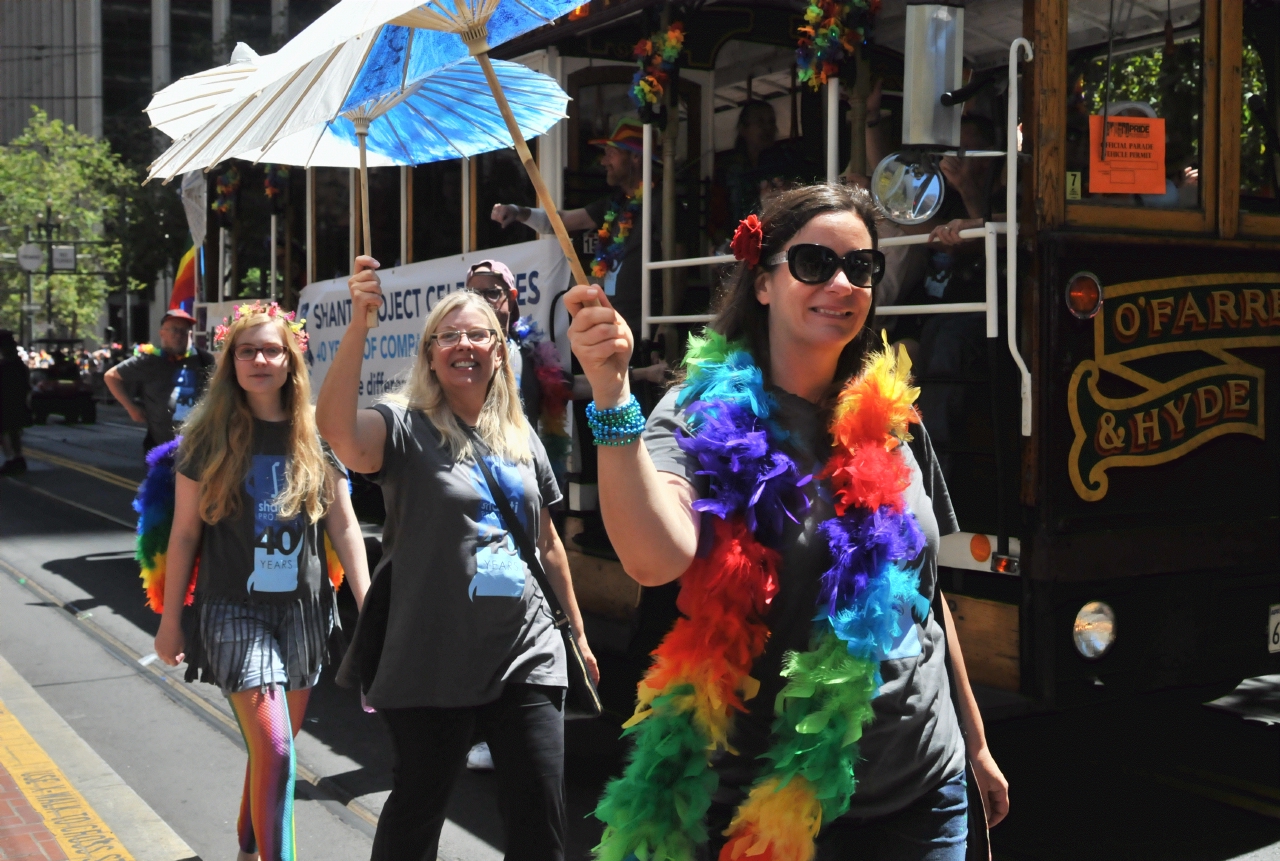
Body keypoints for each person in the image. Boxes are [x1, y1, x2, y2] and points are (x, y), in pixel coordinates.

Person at [565, 183, 1008, 860]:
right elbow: (654, 557)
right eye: (812, 264)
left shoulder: (892, 416)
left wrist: (975, 744)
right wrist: (613, 394)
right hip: (768, 814)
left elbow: (926, 593)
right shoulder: (699, 414)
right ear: (764, 282)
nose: (840, 283)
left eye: (860, 268)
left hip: (922, 790)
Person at [318, 258, 599, 861]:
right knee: (417, 812)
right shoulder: (401, 424)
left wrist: (575, 633)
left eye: (478, 335)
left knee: (540, 821)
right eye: (449, 336)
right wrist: (359, 327)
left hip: (527, 649)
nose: (464, 345)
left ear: (499, 351)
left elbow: (547, 544)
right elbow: (337, 431)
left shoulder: (522, 436)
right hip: (432, 653)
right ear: (430, 354)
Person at [153, 302, 370, 861]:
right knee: (274, 745)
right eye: (246, 350)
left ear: (290, 360)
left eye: (272, 349)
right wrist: (171, 620)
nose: (259, 359)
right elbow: (182, 536)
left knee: (276, 746)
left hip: (304, 613)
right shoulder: (205, 439)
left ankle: (250, 841)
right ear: (230, 362)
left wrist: (369, 604)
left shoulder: (317, 435)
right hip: (232, 612)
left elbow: (344, 523)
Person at [491, 117, 658, 341]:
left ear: (636, 157)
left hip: (646, 326)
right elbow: (561, 222)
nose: (603, 161)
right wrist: (518, 211)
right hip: (615, 324)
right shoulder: (614, 203)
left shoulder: (662, 202)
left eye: (611, 153)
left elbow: (676, 267)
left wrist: (667, 325)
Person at [105, 308, 215, 452]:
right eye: (174, 330)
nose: (179, 335)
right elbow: (111, 376)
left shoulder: (204, 359)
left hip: (198, 447)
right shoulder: (150, 359)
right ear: (162, 333)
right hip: (160, 447)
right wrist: (131, 408)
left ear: (190, 334)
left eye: (184, 330)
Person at [0, 330, 31, 475]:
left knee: (6, 430)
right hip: (16, 400)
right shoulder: (18, 365)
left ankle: (11, 458)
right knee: (14, 430)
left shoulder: (7, 365)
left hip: (7, 401)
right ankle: (16, 457)